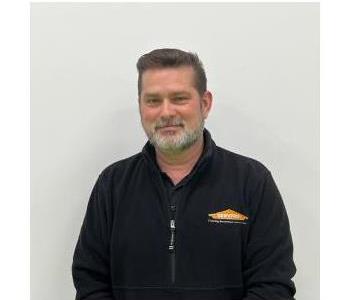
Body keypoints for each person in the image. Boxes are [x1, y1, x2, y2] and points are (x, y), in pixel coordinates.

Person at [72, 48, 296, 300]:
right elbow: (90, 282)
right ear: (140, 106)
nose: (166, 112)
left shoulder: (252, 182)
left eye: (179, 98)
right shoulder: (112, 185)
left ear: (205, 103)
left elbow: (273, 286)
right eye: (153, 100)